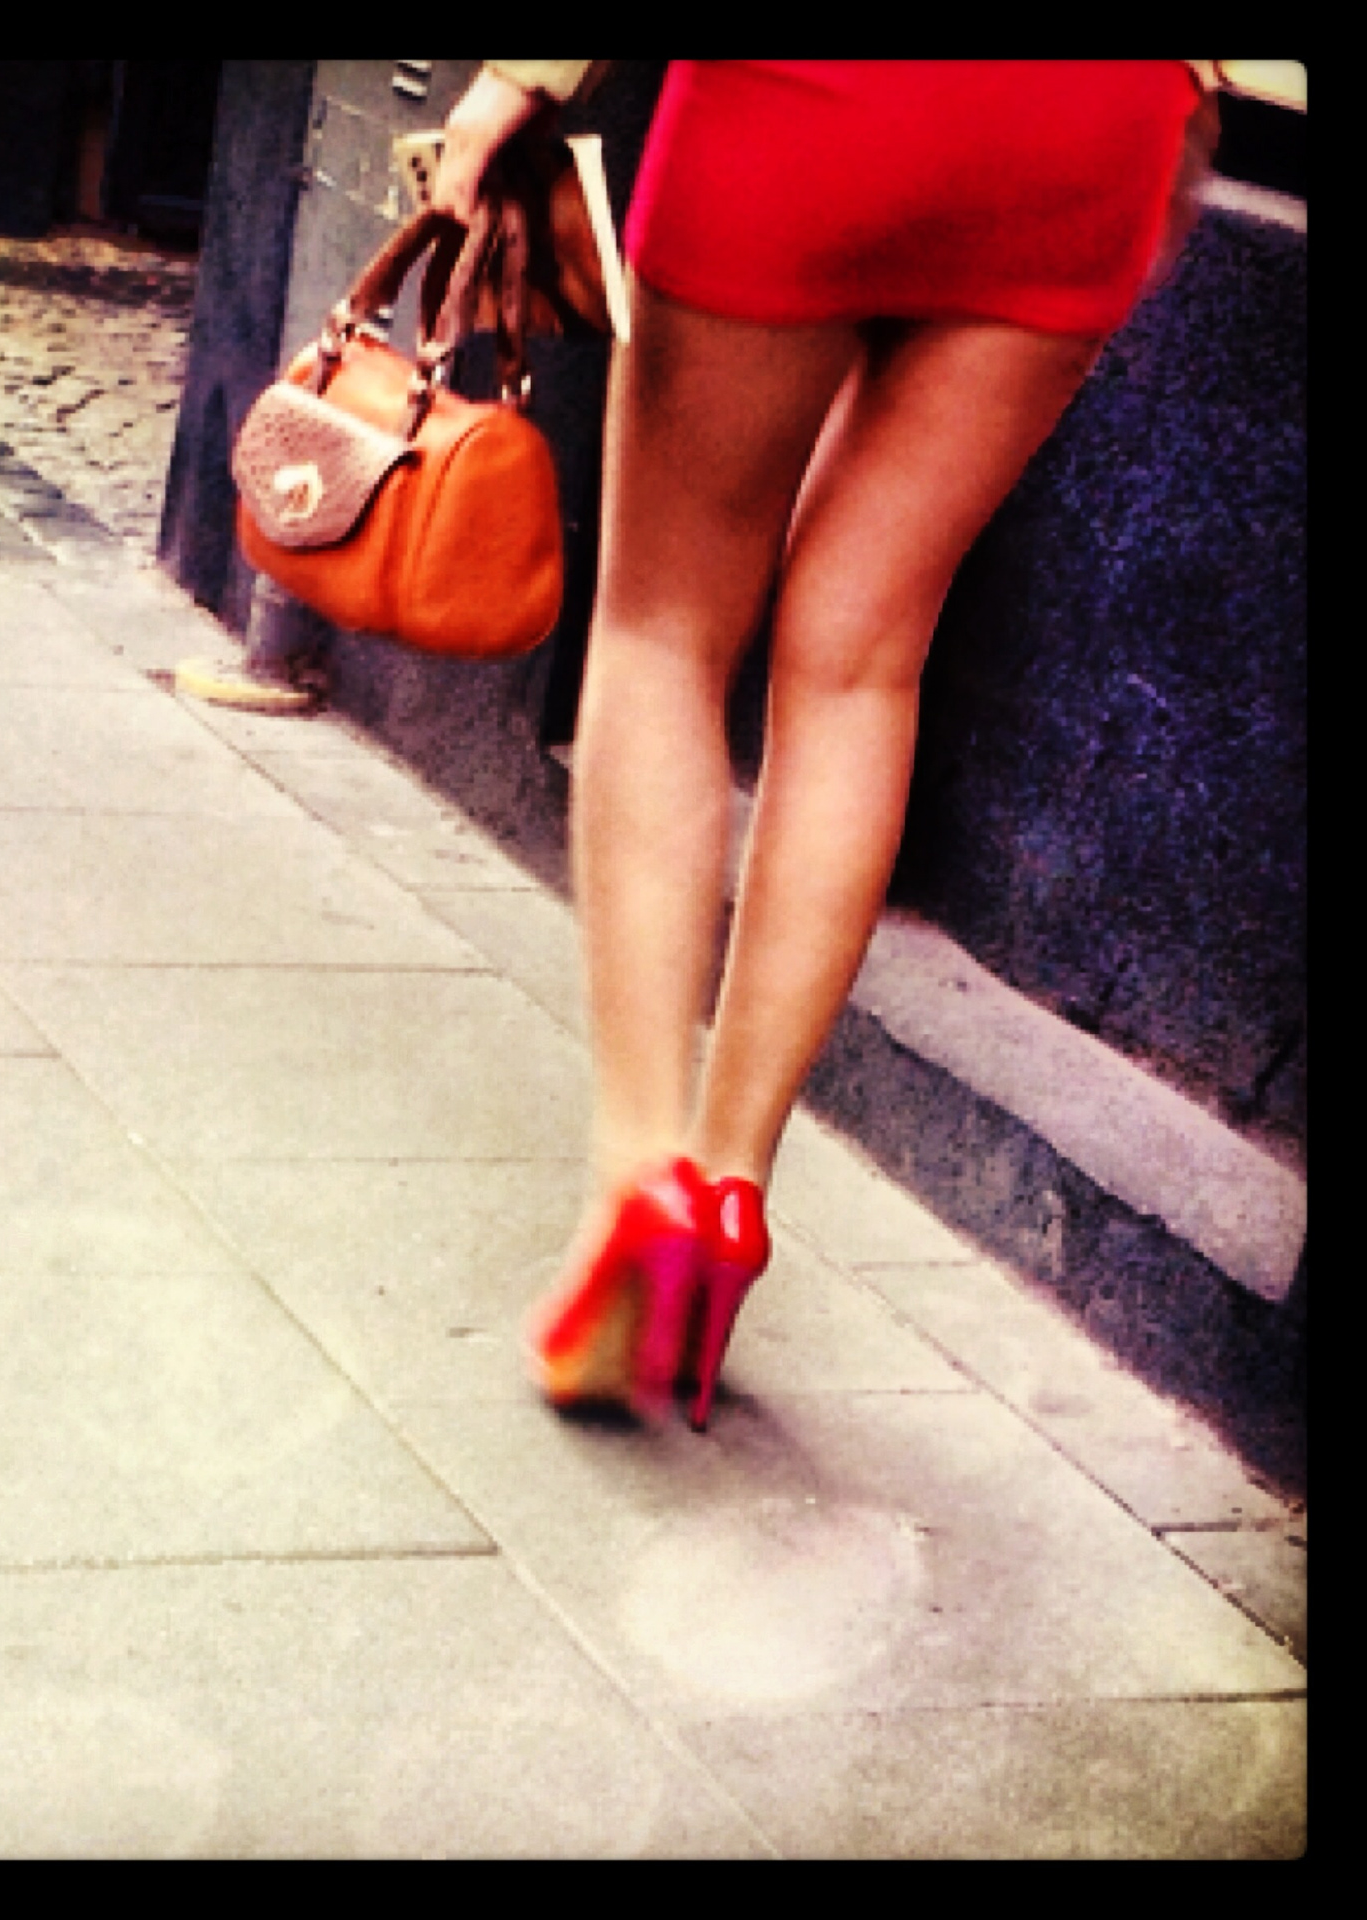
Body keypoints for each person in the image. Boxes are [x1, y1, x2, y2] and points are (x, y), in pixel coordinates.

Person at [432, 60, 1224, 1430]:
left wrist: (519, 79)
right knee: (863, 666)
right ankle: (731, 1185)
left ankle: (641, 1178)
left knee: (664, 629)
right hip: (1088, 122)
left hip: (804, 103)